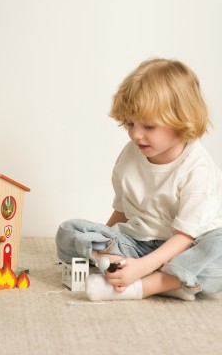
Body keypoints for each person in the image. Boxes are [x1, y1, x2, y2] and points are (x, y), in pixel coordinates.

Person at [56, 58, 222, 301]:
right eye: (130, 123)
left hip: (188, 249)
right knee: (70, 231)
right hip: (139, 244)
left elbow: (185, 236)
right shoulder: (130, 156)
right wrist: (102, 242)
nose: (135, 134)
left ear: (181, 121)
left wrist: (142, 267)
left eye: (149, 126)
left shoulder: (198, 168)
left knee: (217, 252)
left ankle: (141, 286)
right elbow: (122, 212)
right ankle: (147, 276)